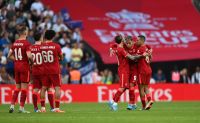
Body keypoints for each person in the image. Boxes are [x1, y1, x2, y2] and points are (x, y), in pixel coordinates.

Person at [108, 35, 146, 111]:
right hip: (124, 70)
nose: (128, 45)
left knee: (129, 87)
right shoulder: (121, 49)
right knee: (124, 87)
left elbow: (145, 45)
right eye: (126, 43)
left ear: (132, 41)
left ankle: (131, 104)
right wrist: (142, 56)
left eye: (129, 43)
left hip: (132, 70)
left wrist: (149, 50)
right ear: (123, 42)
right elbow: (131, 57)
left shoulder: (135, 45)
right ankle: (115, 103)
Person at [7, 26, 32, 113]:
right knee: (24, 88)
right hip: (24, 67)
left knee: (17, 87)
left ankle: (12, 106)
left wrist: (17, 60)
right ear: (25, 32)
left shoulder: (15, 43)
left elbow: (8, 56)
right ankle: (21, 108)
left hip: (16, 66)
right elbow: (29, 56)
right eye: (27, 31)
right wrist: (32, 62)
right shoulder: (27, 43)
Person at [40, 30, 64, 113]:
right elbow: (61, 57)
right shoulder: (56, 46)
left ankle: (43, 108)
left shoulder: (41, 46)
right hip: (54, 70)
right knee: (57, 88)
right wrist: (58, 58)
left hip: (45, 70)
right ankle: (57, 108)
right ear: (53, 37)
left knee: (43, 88)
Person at [30, 32, 55, 112]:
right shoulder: (43, 47)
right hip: (44, 71)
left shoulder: (31, 47)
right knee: (49, 89)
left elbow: (29, 59)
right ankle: (51, 108)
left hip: (35, 71)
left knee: (36, 90)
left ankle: (36, 109)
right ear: (40, 38)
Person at [136, 35, 153, 110]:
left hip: (142, 70)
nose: (137, 41)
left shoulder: (140, 49)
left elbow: (135, 59)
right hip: (148, 69)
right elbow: (151, 59)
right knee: (146, 86)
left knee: (141, 88)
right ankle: (150, 100)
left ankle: (143, 106)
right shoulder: (147, 49)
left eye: (138, 40)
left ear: (142, 41)